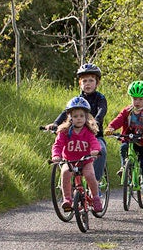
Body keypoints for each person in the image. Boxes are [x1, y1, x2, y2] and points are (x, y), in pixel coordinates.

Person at [44, 63, 110, 192]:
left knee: (102, 150)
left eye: (91, 80)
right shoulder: (77, 100)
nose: (88, 84)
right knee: (63, 152)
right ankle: (71, 183)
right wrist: (56, 123)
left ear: (97, 83)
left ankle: (95, 183)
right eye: (84, 81)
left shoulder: (100, 98)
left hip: (93, 136)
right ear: (80, 83)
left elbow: (102, 110)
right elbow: (65, 113)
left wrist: (95, 121)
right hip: (74, 135)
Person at [106, 80, 143, 201]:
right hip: (128, 139)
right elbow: (118, 120)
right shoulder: (127, 110)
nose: (137, 102)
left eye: (140, 99)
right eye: (135, 99)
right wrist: (111, 127)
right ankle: (124, 167)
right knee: (123, 148)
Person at [50, 96, 104, 213]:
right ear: (70, 117)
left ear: (86, 117)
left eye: (81, 116)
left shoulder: (88, 131)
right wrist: (56, 155)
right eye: (75, 116)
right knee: (65, 173)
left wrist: (95, 150)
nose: (78, 119)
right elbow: (58, 145)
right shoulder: (64, 132)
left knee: (89, 175)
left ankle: (96, 198)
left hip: (85, 161)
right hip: (69, 160)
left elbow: (94, 142)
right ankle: (67, 199)